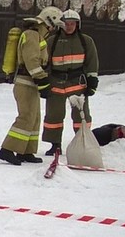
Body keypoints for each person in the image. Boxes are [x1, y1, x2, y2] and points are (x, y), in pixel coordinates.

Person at [0, 6, 61, 165]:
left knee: (34, 118)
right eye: (54, 25)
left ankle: (26, 151)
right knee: (25, 117)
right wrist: (42, 79)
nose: (54, 29)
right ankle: (7, 150)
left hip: (31, 84)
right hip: (25, 83)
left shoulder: (38, 36)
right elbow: (31, 59)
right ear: (49, 21)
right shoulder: (32, 35)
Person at [41, 8, 100, 155]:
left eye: (73, 23)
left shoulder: (86, 41)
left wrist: (92, 81)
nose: (69, 26)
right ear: (61, 24)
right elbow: (44, 62)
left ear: (77, 24)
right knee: (54, 115)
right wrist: (43, 82)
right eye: (67, 23)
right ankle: (55, 145)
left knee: (81, 116)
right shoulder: (51, 41)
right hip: (56, 82)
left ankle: (82, 141)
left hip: (77, 83)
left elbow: (92, 62)